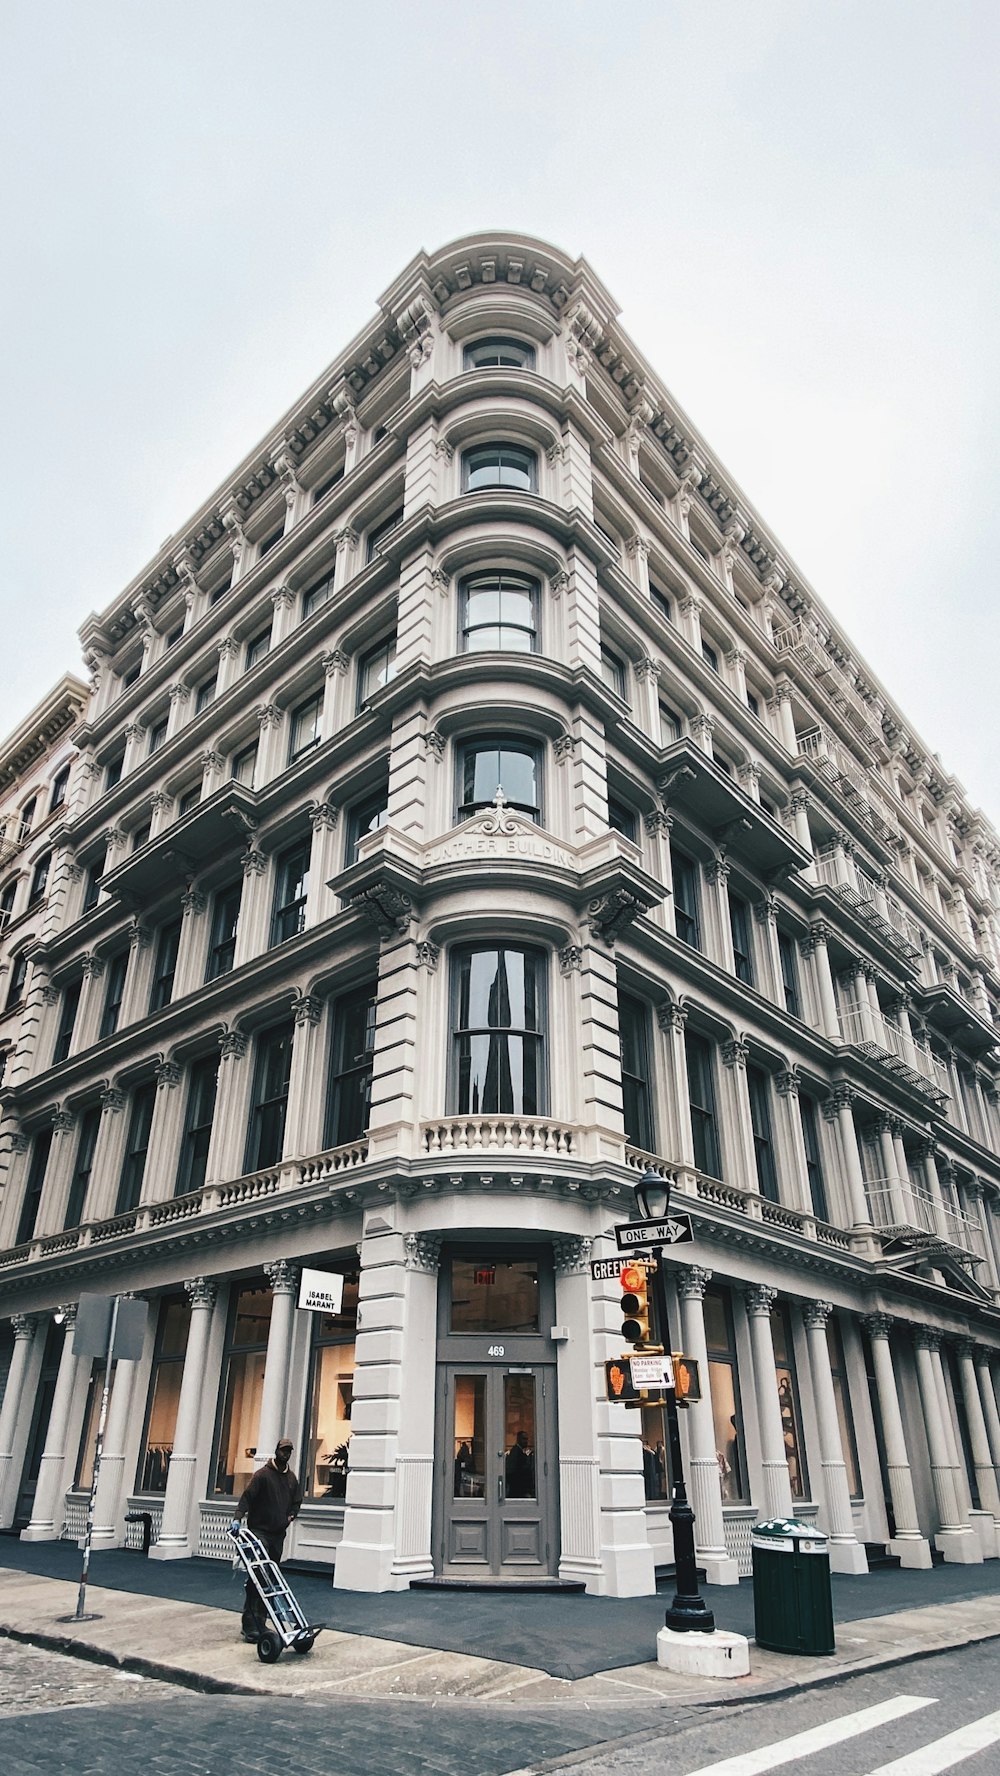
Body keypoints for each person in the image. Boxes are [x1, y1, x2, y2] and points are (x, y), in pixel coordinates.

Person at [233, 1436, 303, 1642]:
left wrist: (291, 1516)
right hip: (259, 1531)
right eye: (283, 1450)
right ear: (276, 1451)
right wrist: (237, 1518)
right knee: (259, 1576)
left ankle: (261, 1621)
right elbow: (247, 1498)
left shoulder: (291, 1479)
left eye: (289, 1451)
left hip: (277, 1534)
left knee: (270, 1580)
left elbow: (297, 1501)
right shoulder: (262, 1475)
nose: (286, 1454)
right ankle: (249, 1624)